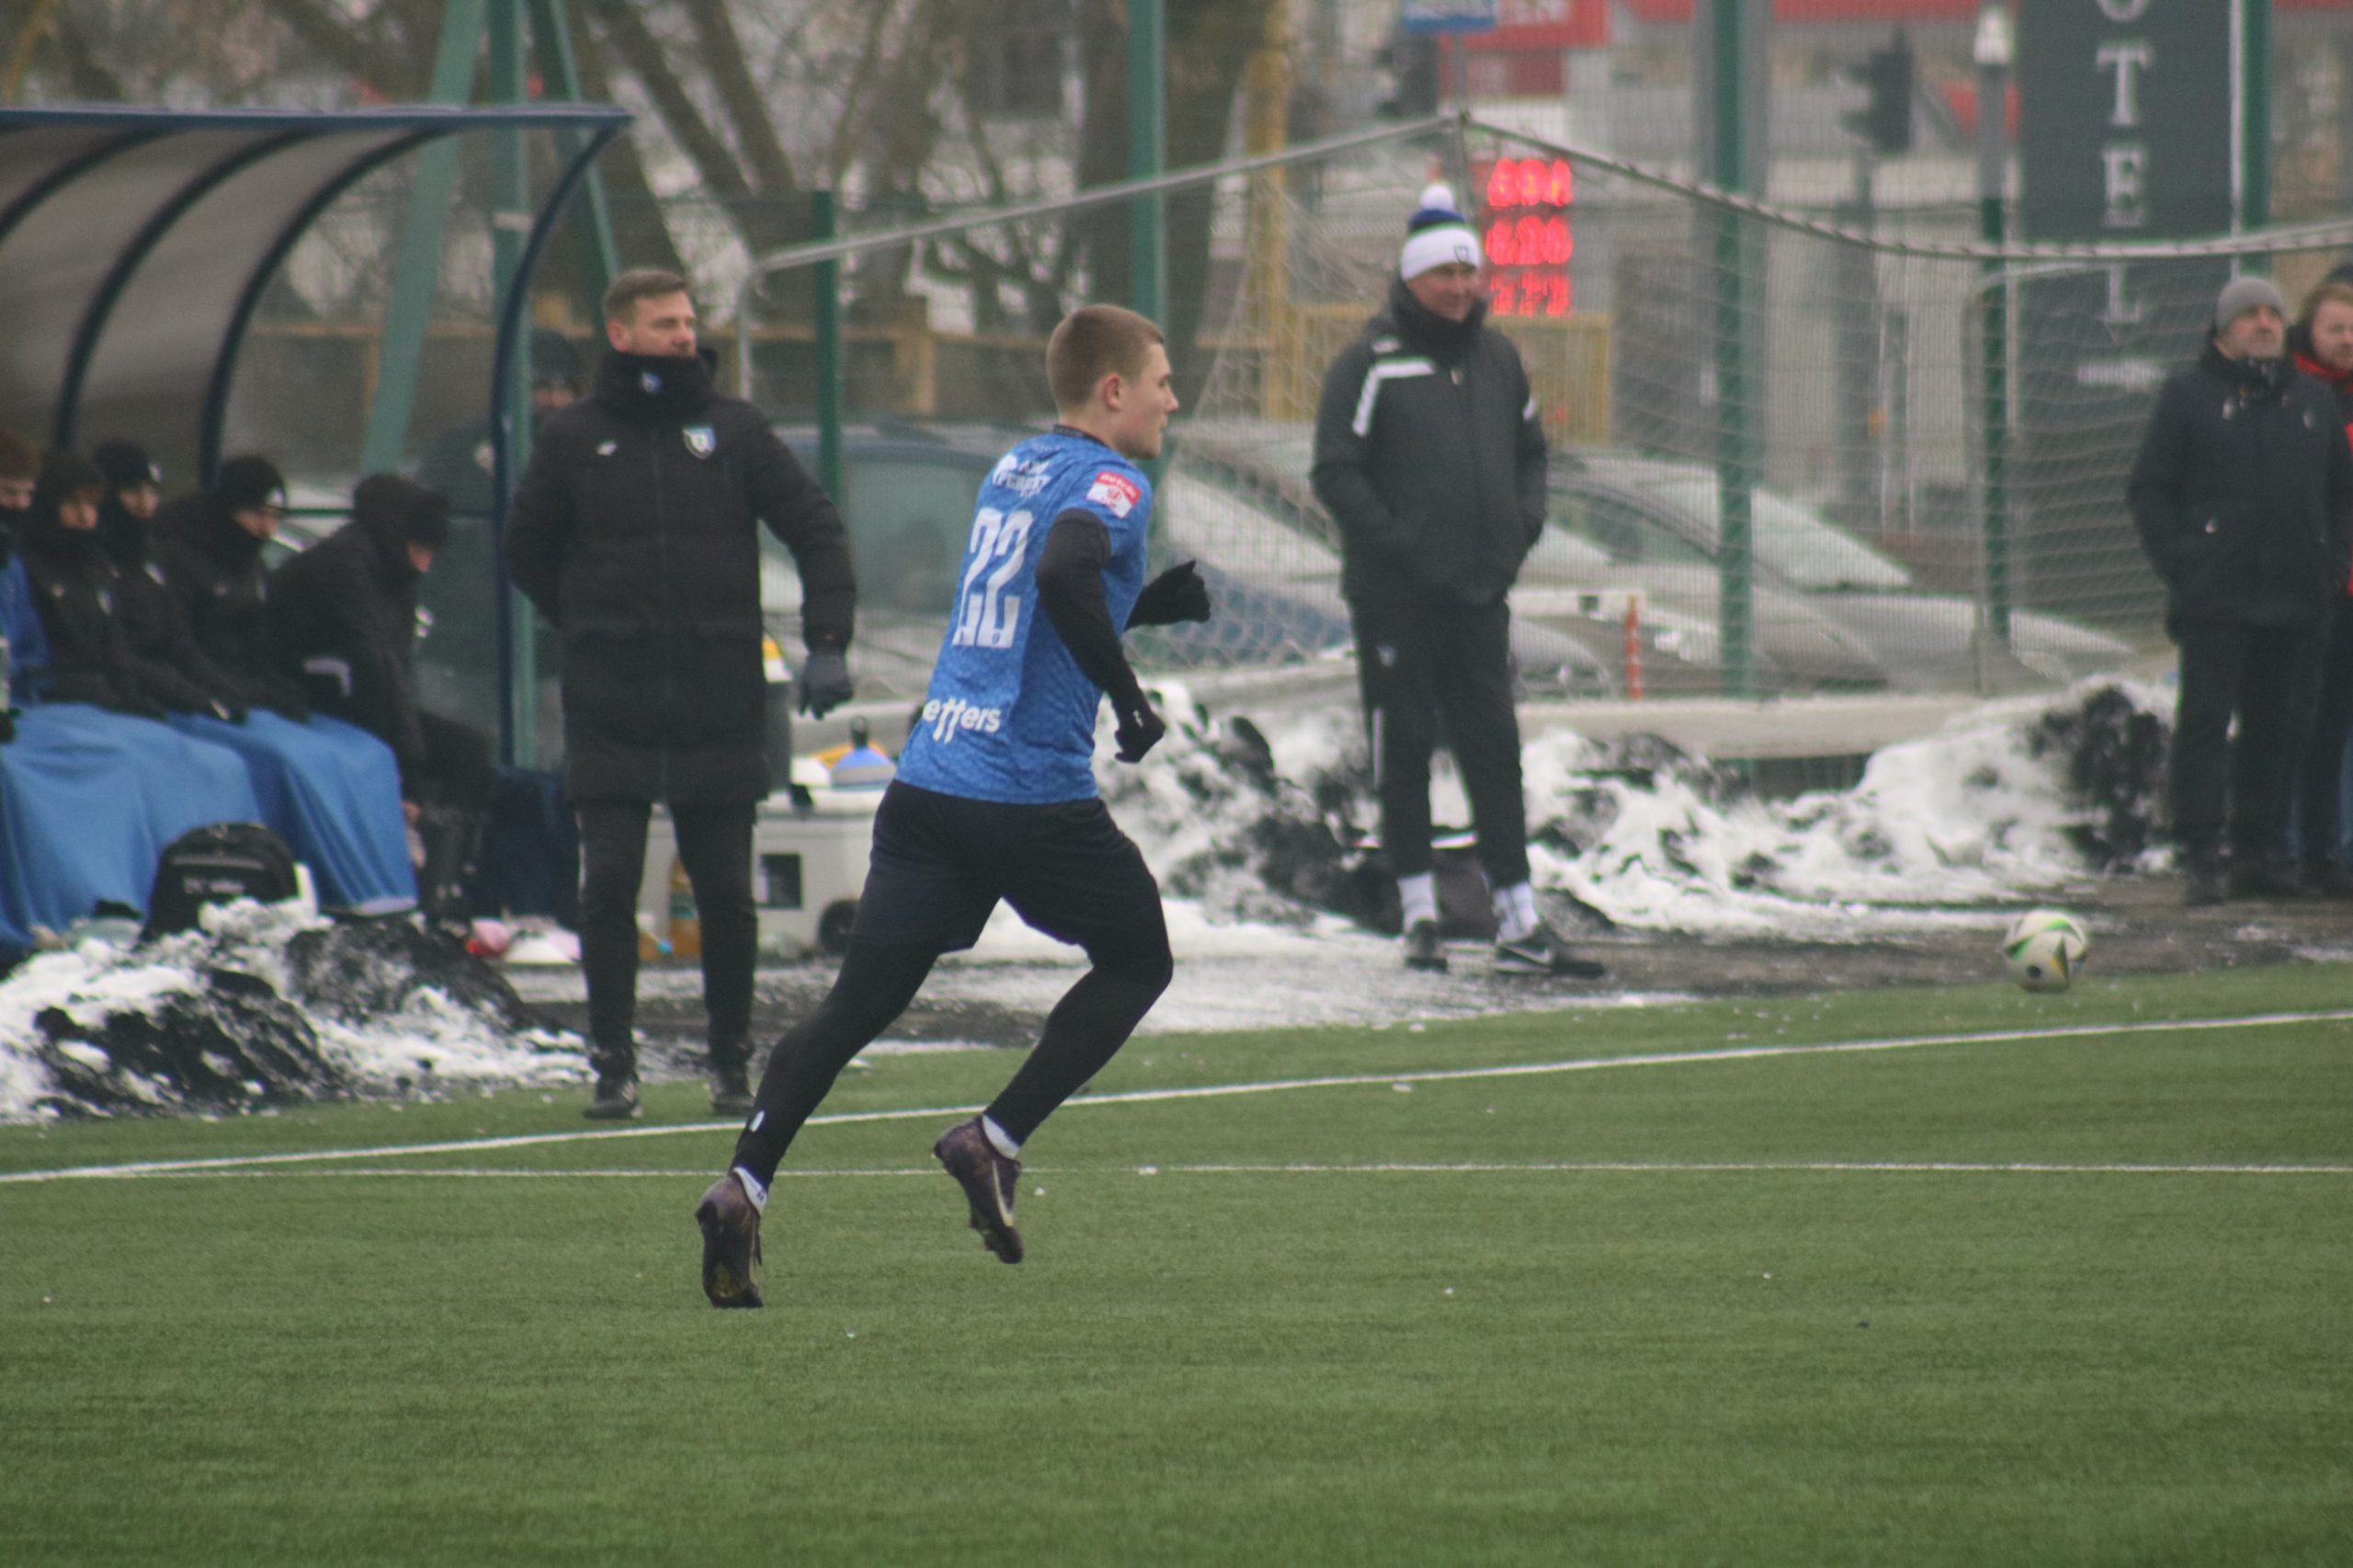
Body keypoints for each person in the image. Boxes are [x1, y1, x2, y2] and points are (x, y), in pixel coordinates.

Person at [690, 302, 1206, 1309]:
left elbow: (1038, 594)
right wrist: (1130, 698)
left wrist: (1141, 605)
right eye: (1160, 382)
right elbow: (1062, 569)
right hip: (1026, 793)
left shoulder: (1013, 467)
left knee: (854, 1005)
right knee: (1139, 958)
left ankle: (743, 1182)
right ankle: (993, 1138)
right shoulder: (1116, 480)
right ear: (1114, 391)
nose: (1172, 400)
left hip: (930, 783)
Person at [506, 268, 858, 1120]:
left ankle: (731, 1063)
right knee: (608, 885)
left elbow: (815, 527)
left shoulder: (734, 430)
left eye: (688, 320)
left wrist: (827, 642)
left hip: (717, 696)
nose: (682, 334)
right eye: (664, 322)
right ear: (620, 335)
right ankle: (612, 1065)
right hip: (611, 702)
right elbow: (524, 549)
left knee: (726, 893)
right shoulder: (574, 436)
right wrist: (588, 621)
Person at [1310, 182, 1602, 978]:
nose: (1460, 286)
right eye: (1445, 272)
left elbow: (1533, 453)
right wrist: (1400, 546)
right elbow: (1335, 470)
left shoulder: (1499, 358)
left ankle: (1518, 919)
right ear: (1412, 278)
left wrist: (1520, 526)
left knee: (1494, 752)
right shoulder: (1368, 364)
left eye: (1470, 272)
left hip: (1480, 596)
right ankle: (1418, 916)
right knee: (1403, 750)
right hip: (1396, 601)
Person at [2128, 275, 2353, 906]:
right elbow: (2150, 489)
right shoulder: (2189, 395)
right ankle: (2201, 853)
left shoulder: (2311, 401)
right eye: (2250, 314)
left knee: (2277, 730)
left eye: (2272, 314)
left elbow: (2340, 496)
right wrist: (2185, 564)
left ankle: (2261, 855)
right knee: (2206, 724)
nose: (2264, 324)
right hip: (2217, 598)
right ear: (2223, 328)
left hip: (2295, 597)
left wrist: (2329, 565)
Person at [271, 472, 495, 920]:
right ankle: (418, 878)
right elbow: (379, 667)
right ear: (401, 538)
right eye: (422, 550)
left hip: (367, 702)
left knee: (471, 751)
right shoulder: (344, 567)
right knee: (429, 753)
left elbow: (395, 674)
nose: (425, 565)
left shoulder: (394, 578)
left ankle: (444, 881)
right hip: (319, 702)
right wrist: (409, 776)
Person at [151, 454, 312, 720]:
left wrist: (280, 687)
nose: (267, 529)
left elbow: (261, 642)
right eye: (258, 514)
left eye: (275, 517)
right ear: (228, 509)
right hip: (201, 698)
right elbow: (178, 647)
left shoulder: (253, 566)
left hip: (245, 693)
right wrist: (239, 691)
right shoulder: (180, 559)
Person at [2288, 280, 2353, 895]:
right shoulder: (2292, 396)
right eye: (2337, 327)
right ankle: (2298, 848)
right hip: (2314, 589)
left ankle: (2324, 850)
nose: (2348, 339)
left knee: (2332, 722)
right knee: (2308, 719)